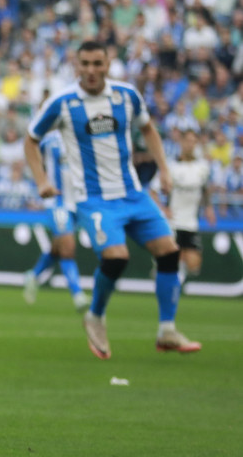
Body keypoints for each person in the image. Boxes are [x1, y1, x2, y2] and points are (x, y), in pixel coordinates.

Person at [25, 40, 200, 360]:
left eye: (97, 63)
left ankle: (167, 330)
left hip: (134, 193)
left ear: (108, 63)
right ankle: (95, 315)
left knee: (170, 253)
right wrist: (41, 180)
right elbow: (31, 139)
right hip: (94, 200)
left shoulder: (126, 95)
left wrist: (164, 169)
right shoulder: (62, 102)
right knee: (116, 258)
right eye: (85, 64)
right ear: (77, 65)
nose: (91, 71)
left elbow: (148, 129)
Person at [22, 130, 89, 312]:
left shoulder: (81, 134)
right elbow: (31, 153)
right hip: (57, 201)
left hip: (77, 202)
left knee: (58, 248)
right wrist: (39, 183)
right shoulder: (50, 140)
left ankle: (33, 275)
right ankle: (78, 294)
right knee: (67, 247)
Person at [149, 128, 216, 281]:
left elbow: (205, 189)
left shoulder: (202, 167)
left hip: (191, 222)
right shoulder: (170, 166)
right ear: (181, 142)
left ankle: (168, 271)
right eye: (188, 140)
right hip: (173, 222)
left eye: (194, 141)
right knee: (172, 261)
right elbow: (153, 191)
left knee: (194, 265)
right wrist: (162, 209)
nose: (190, 144)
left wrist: (209, 208)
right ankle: (167, 277)